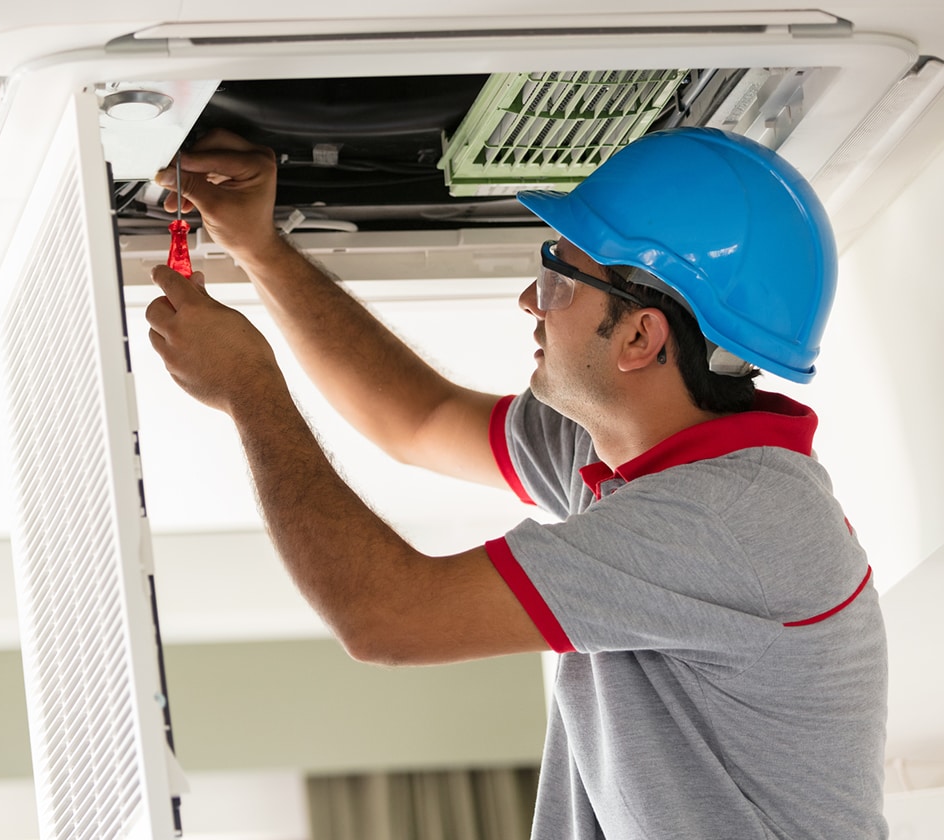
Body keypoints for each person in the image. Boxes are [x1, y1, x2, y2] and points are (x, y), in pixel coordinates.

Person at [144, 126, 887, 839]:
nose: (530, 303)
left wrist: (250, 389)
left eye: (556, 279)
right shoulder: (639, 456)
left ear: (639, 338)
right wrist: (260, 249)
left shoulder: (728, 519)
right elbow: (421, 419)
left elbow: (386, 618)